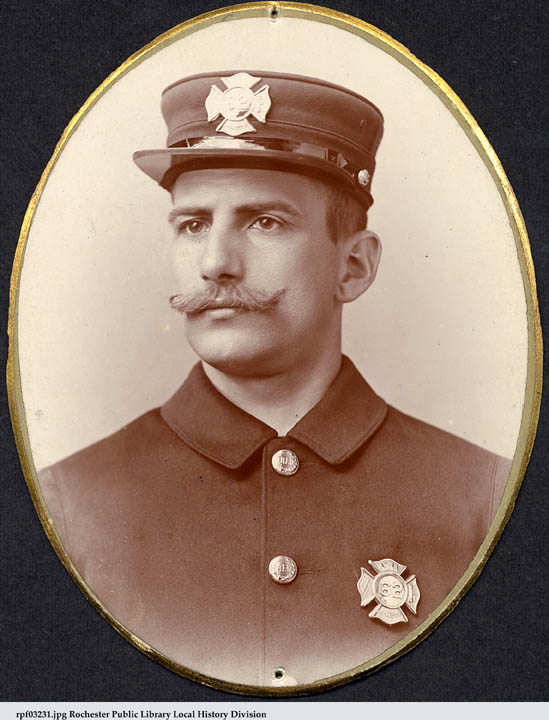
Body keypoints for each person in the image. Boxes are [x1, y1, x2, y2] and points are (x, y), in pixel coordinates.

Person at [38, 71, 510, 688]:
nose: (216, 264)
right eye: (193, 224)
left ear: (354, 266)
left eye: (264, 222)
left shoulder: (486, 499)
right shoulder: (68, 506)